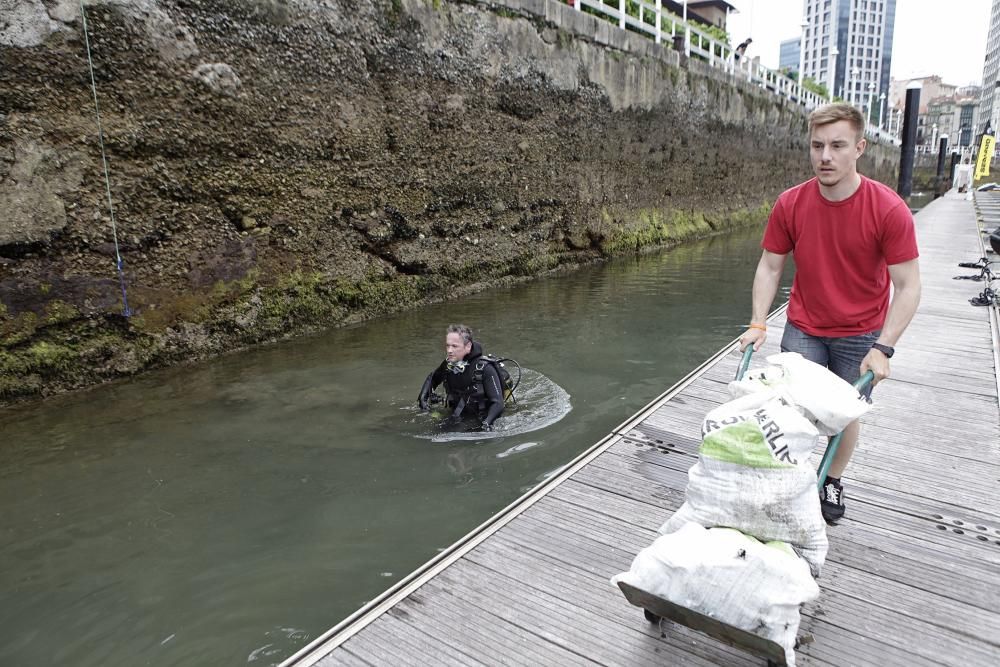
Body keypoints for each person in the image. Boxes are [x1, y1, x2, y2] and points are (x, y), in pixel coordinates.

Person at [739, 103, 921, 525]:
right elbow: (770, 266)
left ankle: (831, 478)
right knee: (792, 408)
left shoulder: (888, 209)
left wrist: (884, 349)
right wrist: (757, 321)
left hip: (861, 332)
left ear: (859, 148)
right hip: (805, 324)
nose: (825, 156)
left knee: (843, 413)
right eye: (817, 145)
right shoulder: (791, 204)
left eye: (837, 145)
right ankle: (791, 476)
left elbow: (909, 286)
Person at [418, 324, 505, 431]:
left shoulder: (485, 368)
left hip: (480, 416)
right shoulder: (449, 364)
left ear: (468, 346)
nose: (449, 350)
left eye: (454, 346)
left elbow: (498, 403)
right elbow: (433, 378)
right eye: (447, 346)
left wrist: (486, 425)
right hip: (457, 412)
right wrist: (423, 398)